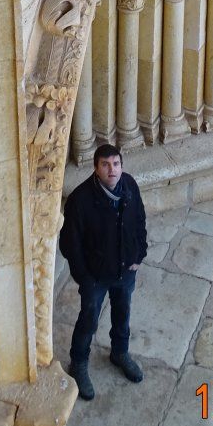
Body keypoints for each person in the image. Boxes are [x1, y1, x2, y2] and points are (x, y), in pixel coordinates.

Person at [59, 143, 147, 401]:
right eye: (105, 165)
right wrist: (85, 278)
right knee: (89, 320)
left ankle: (120, 352)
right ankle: (78, 363)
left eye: (116, 164)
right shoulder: (80, 200)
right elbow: (70, 244)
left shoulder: (129, 185)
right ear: (96, 168)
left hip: (125, 269)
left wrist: (139, 254)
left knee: (122, 313)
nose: (112, 170)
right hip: (95, 277)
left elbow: (139, 220)